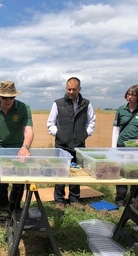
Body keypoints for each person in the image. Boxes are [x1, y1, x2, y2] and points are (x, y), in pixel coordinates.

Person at [0, 81, 34, 226]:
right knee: (0, 184)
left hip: (18, 151)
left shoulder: (24, 108)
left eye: (11, 97)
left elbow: (28, 130)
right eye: (4, 97)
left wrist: (25, 147)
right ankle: (4, 214)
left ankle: (15, 209)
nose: (8, 101)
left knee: (19, 183)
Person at [47, 77, 96, 212]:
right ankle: (59, 200)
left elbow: (91, 121)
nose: (71, 92)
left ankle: (74, 199)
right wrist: (60, 134)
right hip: (62, 145)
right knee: (60, 171)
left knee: (77, 172)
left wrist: (85, 134)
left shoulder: (86, 104)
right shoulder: (58, 103)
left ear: (79, 89)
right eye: (69, 89)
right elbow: (50, 123)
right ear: (66, 88)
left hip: (79, 145)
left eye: (74, 89)